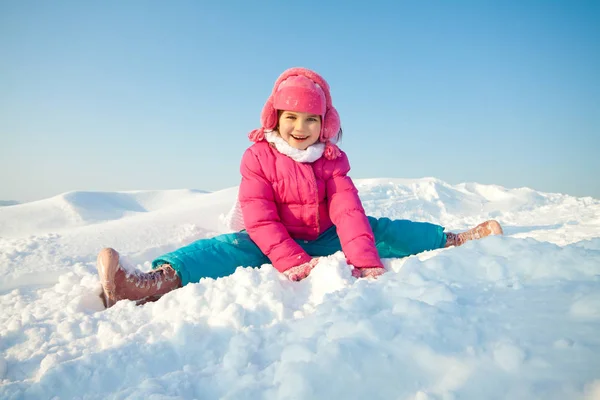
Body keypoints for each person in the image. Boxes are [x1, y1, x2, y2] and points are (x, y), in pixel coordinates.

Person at [96, 67, 503, 308]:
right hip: (268, 238)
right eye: (292, 117)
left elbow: (347, 211)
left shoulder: (332, 160)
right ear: (276, 117)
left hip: (324, 236)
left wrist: (362, 259)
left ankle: (450, 238)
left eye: (312, 120)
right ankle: (151, 281)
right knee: (222, 249)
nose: (301, 128)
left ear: (324, 124)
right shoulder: (258, 157)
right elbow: (259, 215)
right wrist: (290, 259)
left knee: (381, 231)